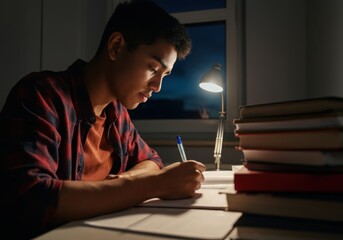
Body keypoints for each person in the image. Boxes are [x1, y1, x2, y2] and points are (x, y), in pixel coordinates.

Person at [0, 0, 206, 238]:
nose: (158, 86)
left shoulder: (116, 114)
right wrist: (155, 185)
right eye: (152, 67)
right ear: (116, 47)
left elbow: (151, 161)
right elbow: (32, 196)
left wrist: (122, 181)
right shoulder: (42, 95)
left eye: (165, 75)